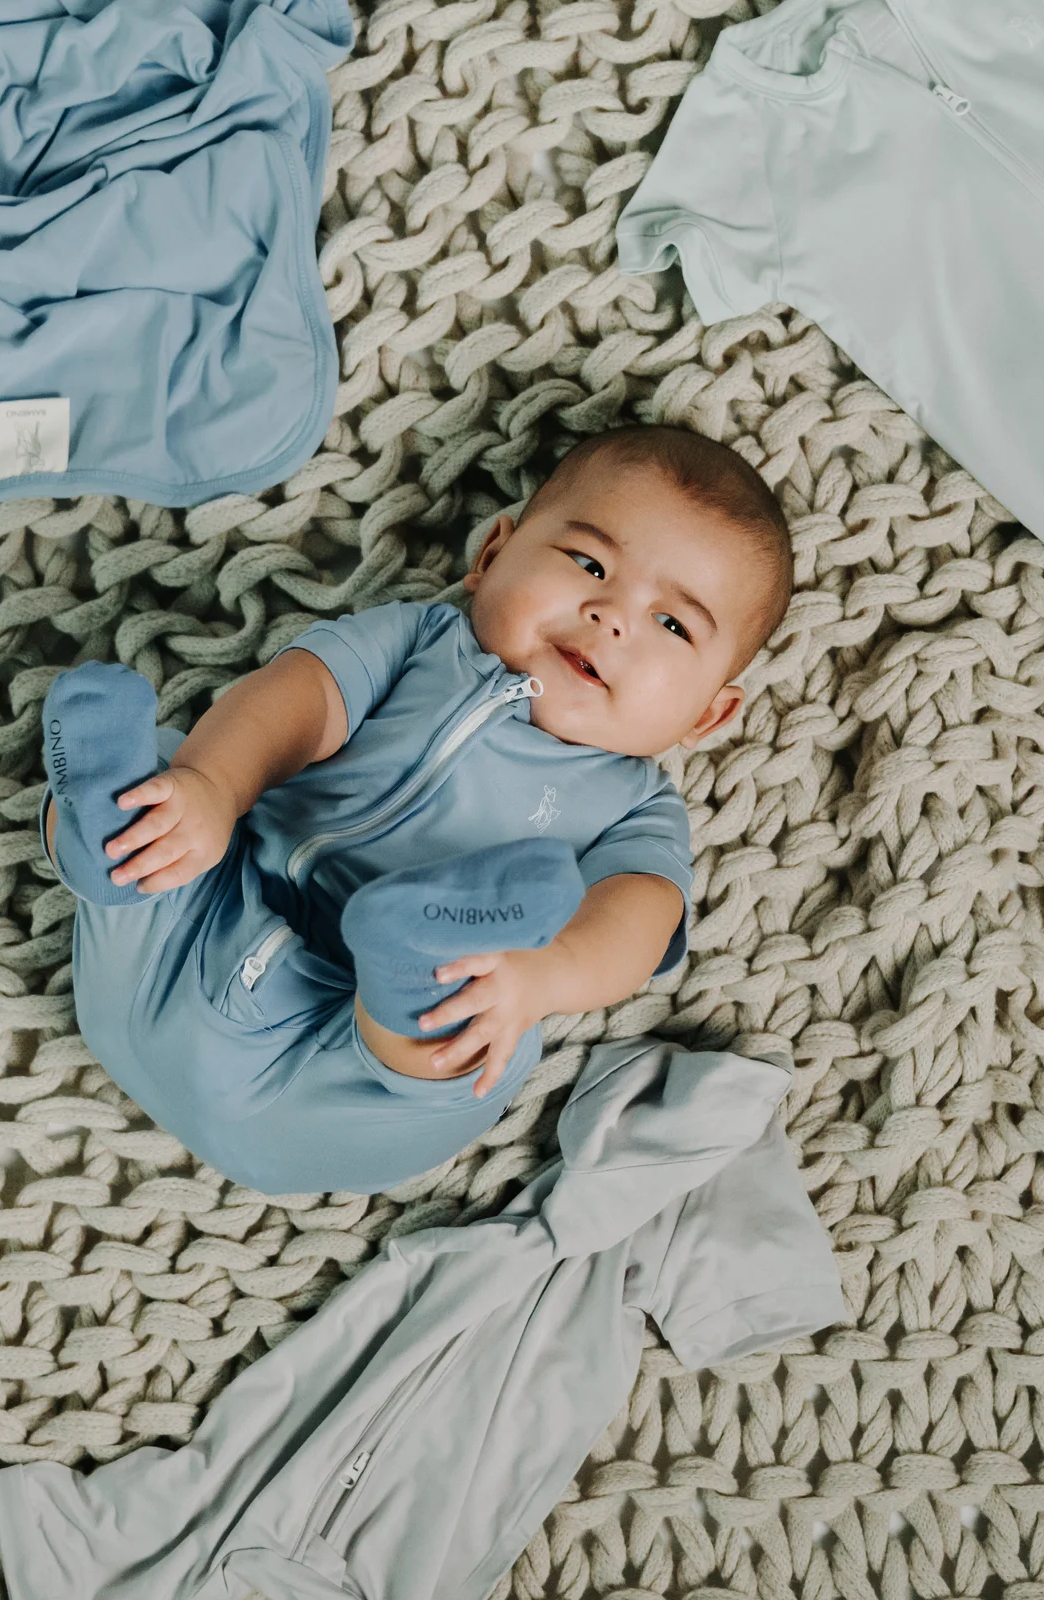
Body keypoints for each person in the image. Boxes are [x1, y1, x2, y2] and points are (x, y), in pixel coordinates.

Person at [39, 427, 793, 1193]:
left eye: (673, 624)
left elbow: (640, 918)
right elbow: (300, 702)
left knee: (472, 1042)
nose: (612, 615)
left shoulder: (636, 808)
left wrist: (540, 977)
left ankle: (413, 963)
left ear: (708, 715)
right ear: (493, 555)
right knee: (171, 785)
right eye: (590, 563)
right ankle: (102, 827)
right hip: (191, 930)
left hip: (324, 1089)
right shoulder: (419, 642)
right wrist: (213, 788)